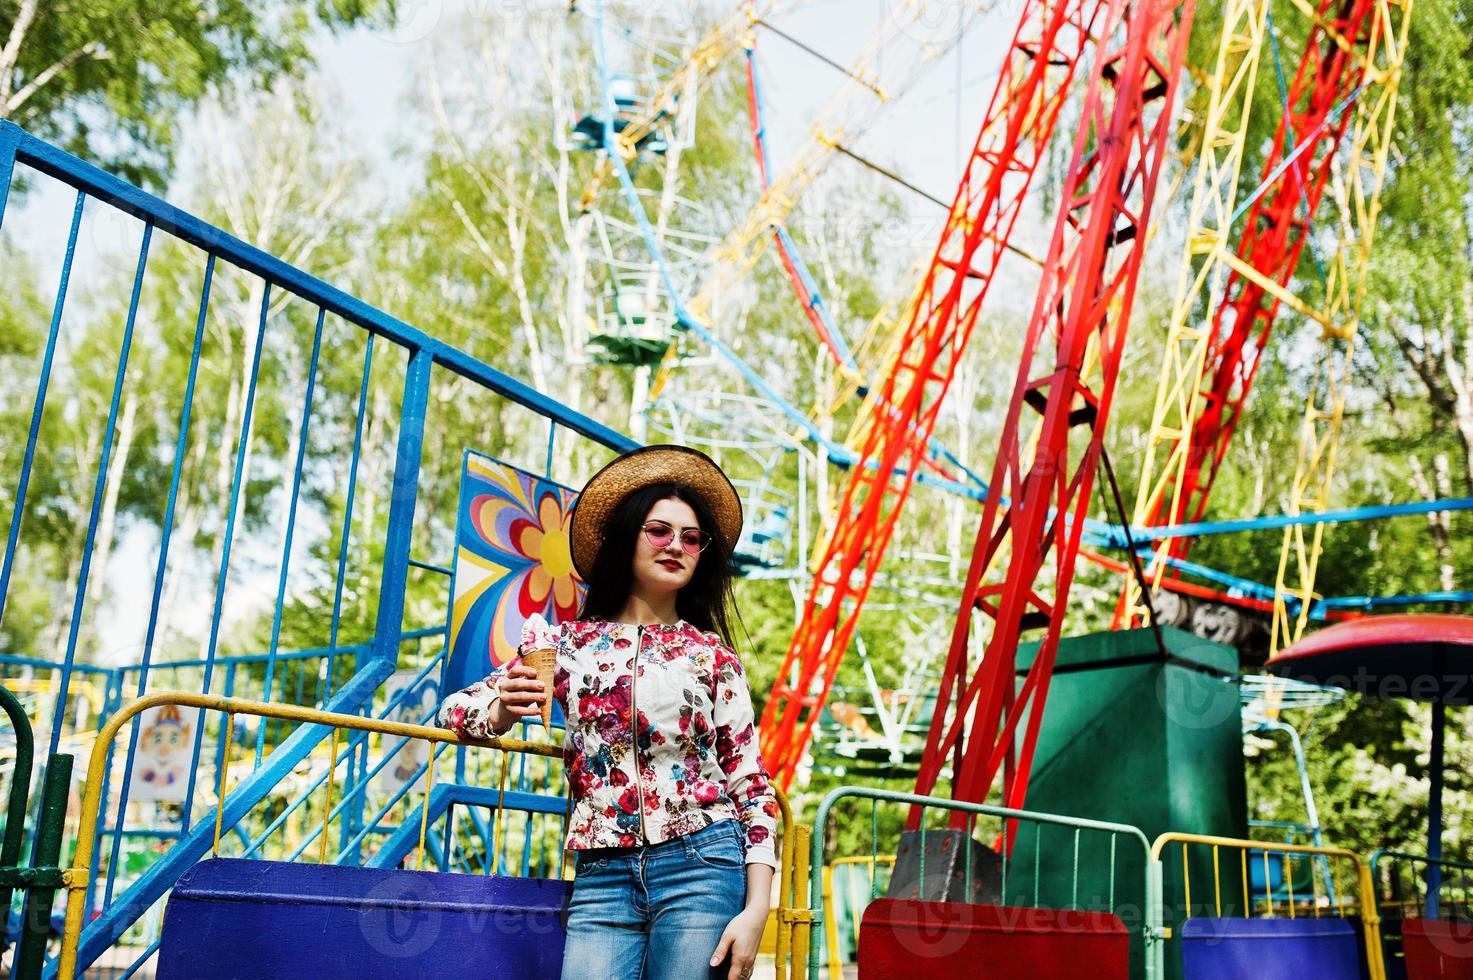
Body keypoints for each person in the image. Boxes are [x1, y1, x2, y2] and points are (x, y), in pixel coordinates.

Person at [438, 445, 779, 980]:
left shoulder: (711, 655)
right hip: (603, 875)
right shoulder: (566, 646)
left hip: (704, 866)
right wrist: (504, 707)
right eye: (659, 531)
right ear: (626, 539)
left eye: (692, 538)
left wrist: (758, 907)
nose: (677, 546)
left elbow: (751, 785)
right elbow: (454, 711)